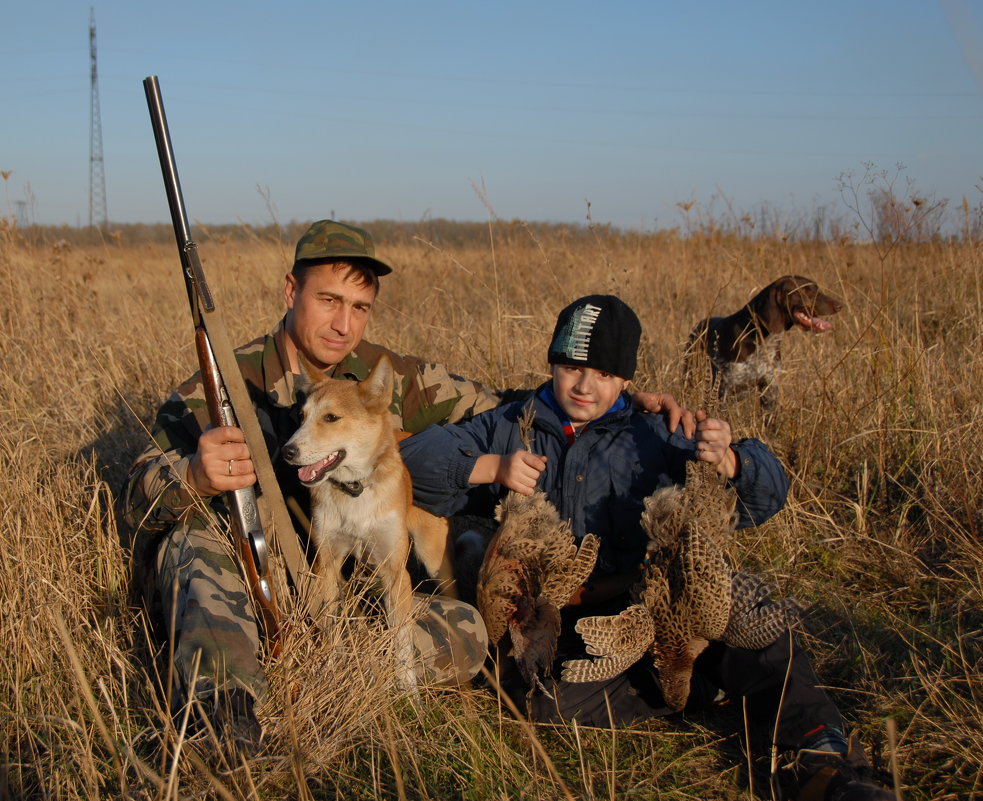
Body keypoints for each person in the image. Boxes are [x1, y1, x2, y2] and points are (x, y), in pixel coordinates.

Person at [121, 222, 691, 756]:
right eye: (328, 301)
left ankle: (330, 671)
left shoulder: (387, 377)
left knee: (467, 631)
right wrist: (191, 476)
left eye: (360, 308)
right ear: (290, 290)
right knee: (191, 538)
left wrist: (618, 400)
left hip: (350, 587)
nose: (344, 324)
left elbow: (511, 405)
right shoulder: (224, 384)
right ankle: (220, 712)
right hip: (255, 575)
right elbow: (131, 501)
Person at [400, 294, 894, 801]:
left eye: (605, 372)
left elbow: (768, 494)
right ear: (552, 362)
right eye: (571, 366)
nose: (585, 385)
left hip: (658, 604)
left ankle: (824, 762)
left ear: (627, 379)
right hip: (566, 623)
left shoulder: (659, 430)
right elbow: (413, 459)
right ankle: (697, 687)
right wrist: (490, 468)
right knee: (541, 701)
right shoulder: (512, 425)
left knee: (757, 629)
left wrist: (733, 462)